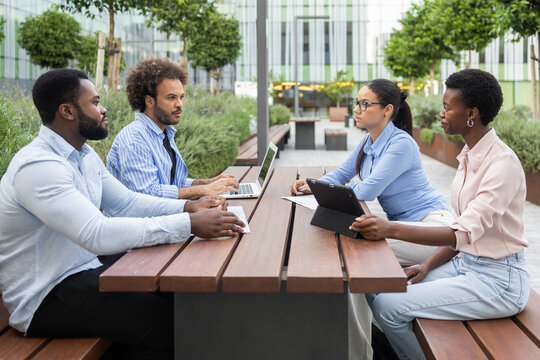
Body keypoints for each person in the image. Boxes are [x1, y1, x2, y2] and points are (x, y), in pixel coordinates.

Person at [0, 69, 245, 360]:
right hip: (46, 297)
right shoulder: (39, 166)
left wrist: (188, 207)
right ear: (67, 111)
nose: (104, 109)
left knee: (181, 296)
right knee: (176, 325)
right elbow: (96, 234)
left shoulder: (84, 155)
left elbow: (127, 202)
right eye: (95, 102)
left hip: (86, 270)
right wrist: (189, 223)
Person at [351, 69, 530, 359]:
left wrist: (390, 229)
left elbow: (462, 233)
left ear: (471, 113)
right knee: (376, 287)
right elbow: (463, 231)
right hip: (466, 266)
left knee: (388, 307)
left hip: (499, 281)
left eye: (448, 107)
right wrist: (427, 265)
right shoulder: (470, 155)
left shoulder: (501, 164)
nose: (441, 113)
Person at [291, 78, 452, 266]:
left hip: (432, 228)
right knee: (344, 238)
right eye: (357, 103)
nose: (357, 109)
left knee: (353, 246)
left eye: (365, 104)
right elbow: (342, 174)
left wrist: (334, 189)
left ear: (387, 110)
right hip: (402, 227)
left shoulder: (401, 144)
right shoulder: (369, 140)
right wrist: (314, 184)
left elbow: (368, 190)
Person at [106, 58, 239, 200]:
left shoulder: (163, 133)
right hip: (136, 221)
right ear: (149, 101)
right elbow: (148, 195)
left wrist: (208, 183)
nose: (179, 104)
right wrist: (205, 190)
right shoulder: (134, 138)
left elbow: (174, 184)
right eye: (171, 98)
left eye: (181, 97)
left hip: (159, 219)